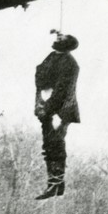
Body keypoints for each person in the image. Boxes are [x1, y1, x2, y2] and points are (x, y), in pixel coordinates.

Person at [34, 32, 80, 200]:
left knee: (56, 145)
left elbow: (62, 90)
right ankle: (54, 184)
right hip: (47, 108)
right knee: (49, 146)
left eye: (61, 39)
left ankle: (56, 183)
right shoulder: (53, 57)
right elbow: (39, 74)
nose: (56, 39)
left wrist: (48, 107)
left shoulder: (70, 64)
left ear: (66, 44)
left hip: (61, 111)